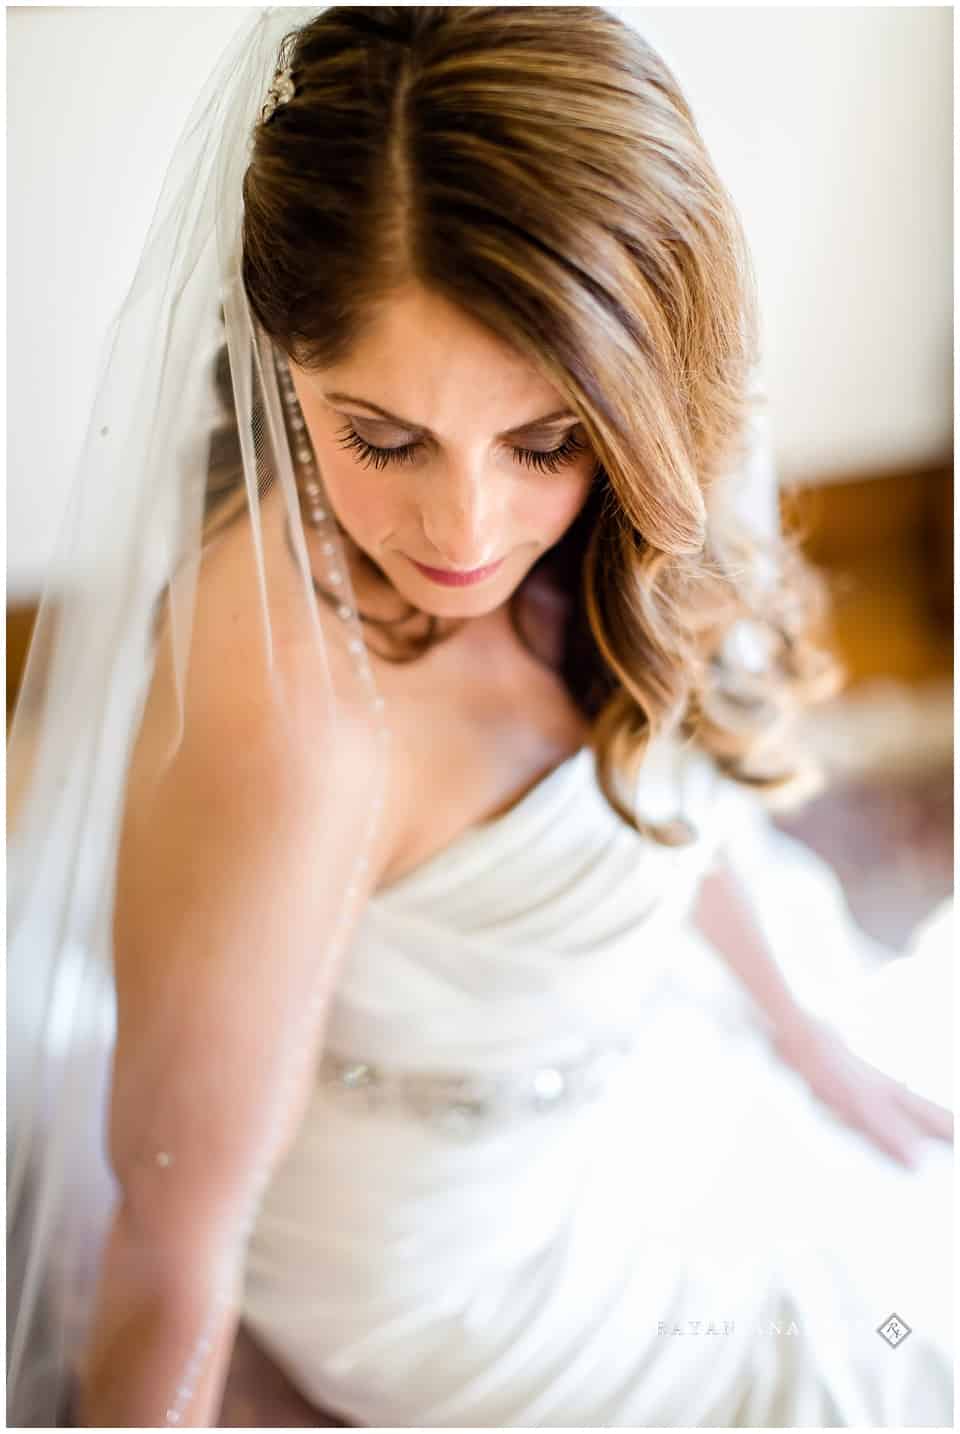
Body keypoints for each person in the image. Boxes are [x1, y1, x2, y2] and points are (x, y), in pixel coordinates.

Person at [6, 7, 952, 1428]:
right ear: (280, 364)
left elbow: (665, 806)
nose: (466, 531)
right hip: (439, 1269)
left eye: (546, 439)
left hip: (620, 1092)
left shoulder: (645, 498)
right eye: (382, 436)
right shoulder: (296, 705)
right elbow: (170, 1244)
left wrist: (801, 1029)